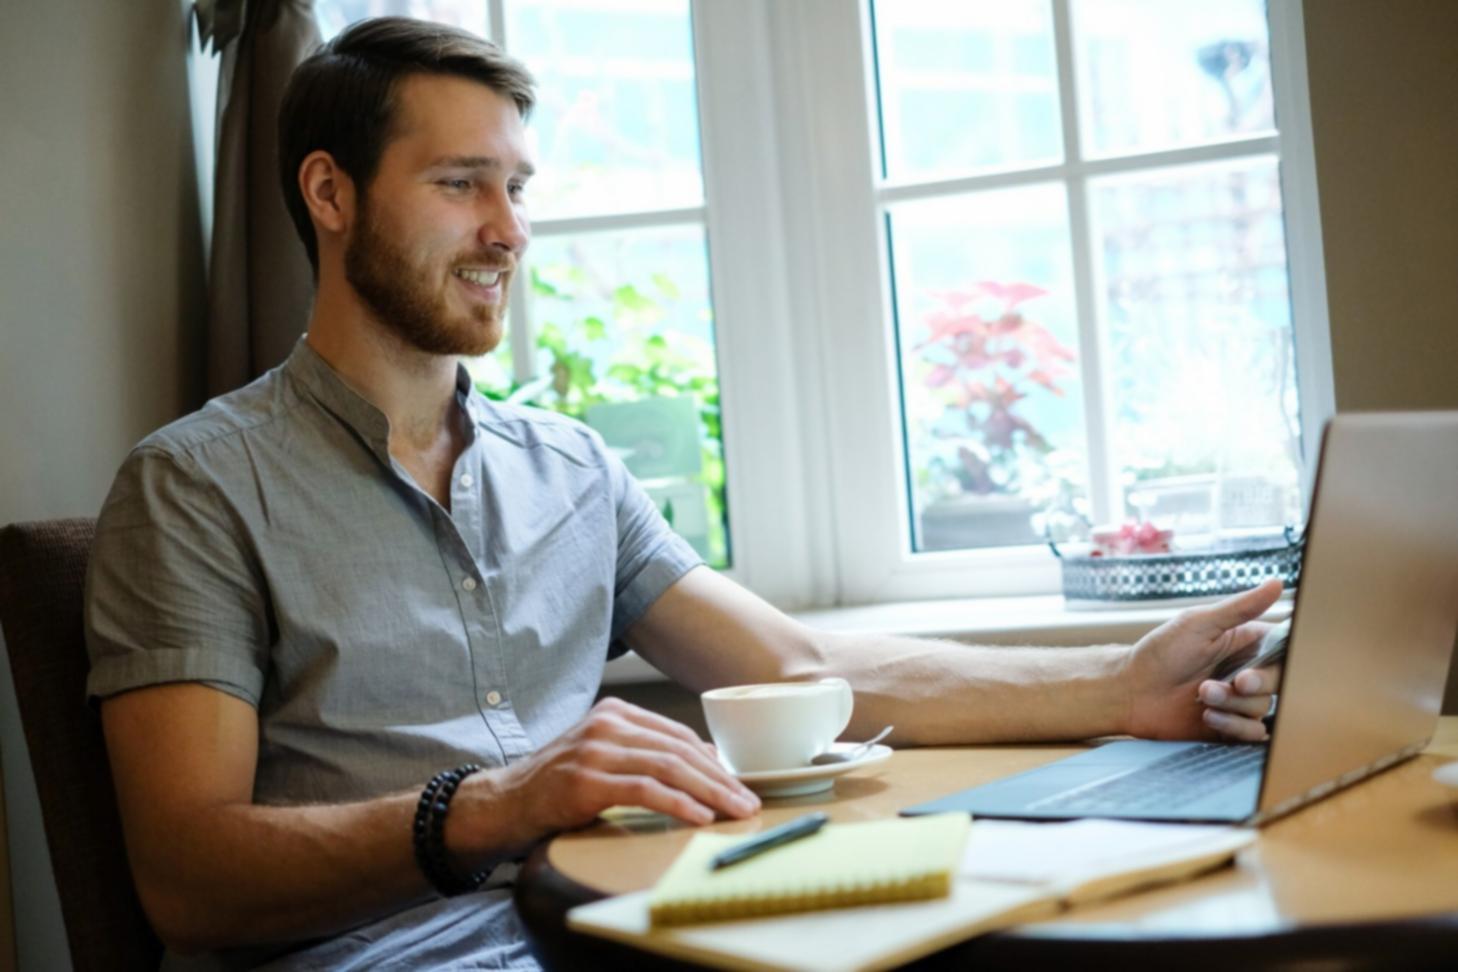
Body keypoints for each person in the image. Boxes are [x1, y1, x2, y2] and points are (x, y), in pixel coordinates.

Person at [84, 17, 1281, 971]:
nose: (509, 231)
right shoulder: (195, 486)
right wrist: (493, 808)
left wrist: (1119, 685)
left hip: (614, 929)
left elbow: (804, 673)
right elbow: (188, 876)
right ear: (330, 195)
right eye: (461, 185)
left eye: (519, 187)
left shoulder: (570, 471)